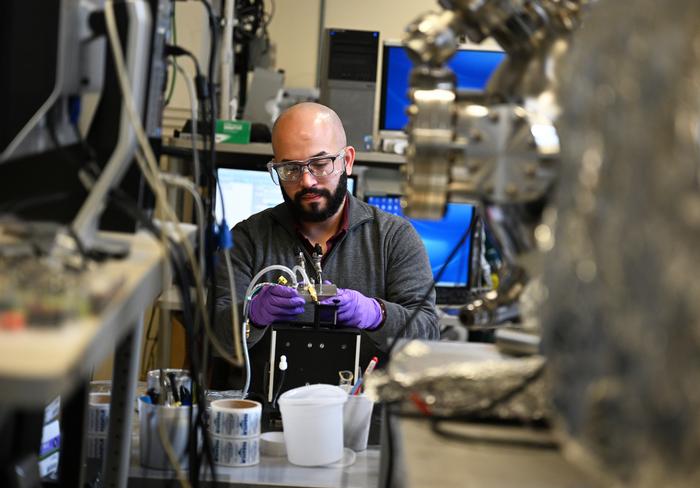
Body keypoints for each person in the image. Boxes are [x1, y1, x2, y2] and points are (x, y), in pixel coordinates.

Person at [214, 102, 438, 360]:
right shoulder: (247, 239)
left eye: (320, 164)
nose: (307, 181)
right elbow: (214, 343)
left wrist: (377, 315)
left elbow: (428, 335)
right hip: (267, 398)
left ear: (348, 161)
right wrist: (251, 315)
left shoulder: (393, 237)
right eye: (291, 169)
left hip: (362, 399)